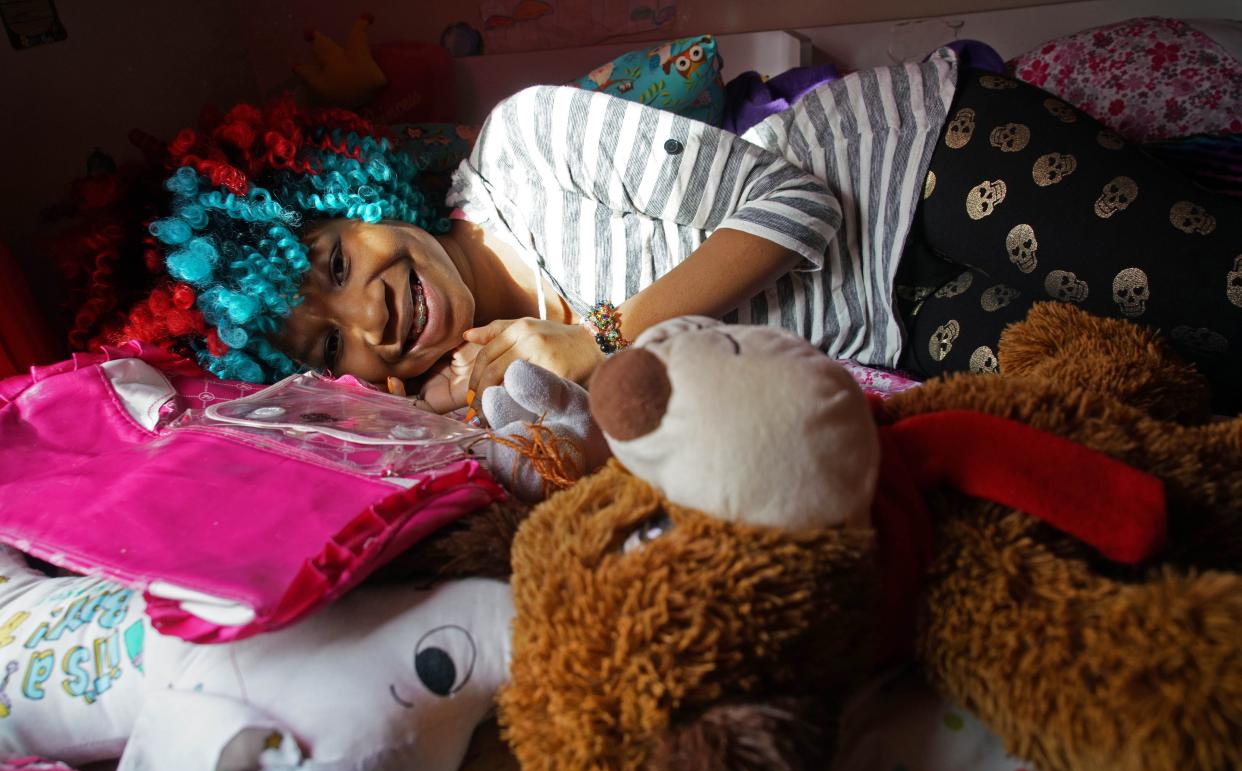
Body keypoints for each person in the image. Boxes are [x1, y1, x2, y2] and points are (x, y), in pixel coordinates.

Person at [69, 51, 1242, 416]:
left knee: (1214, 287)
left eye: (334, 263)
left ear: (357, 188)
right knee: (1185, 389)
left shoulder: (525, 142)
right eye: (327, 343)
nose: (367, 309)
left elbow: (796, 206)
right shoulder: (497, 374)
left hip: (921, 164)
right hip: (899, 320)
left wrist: (609, 335)